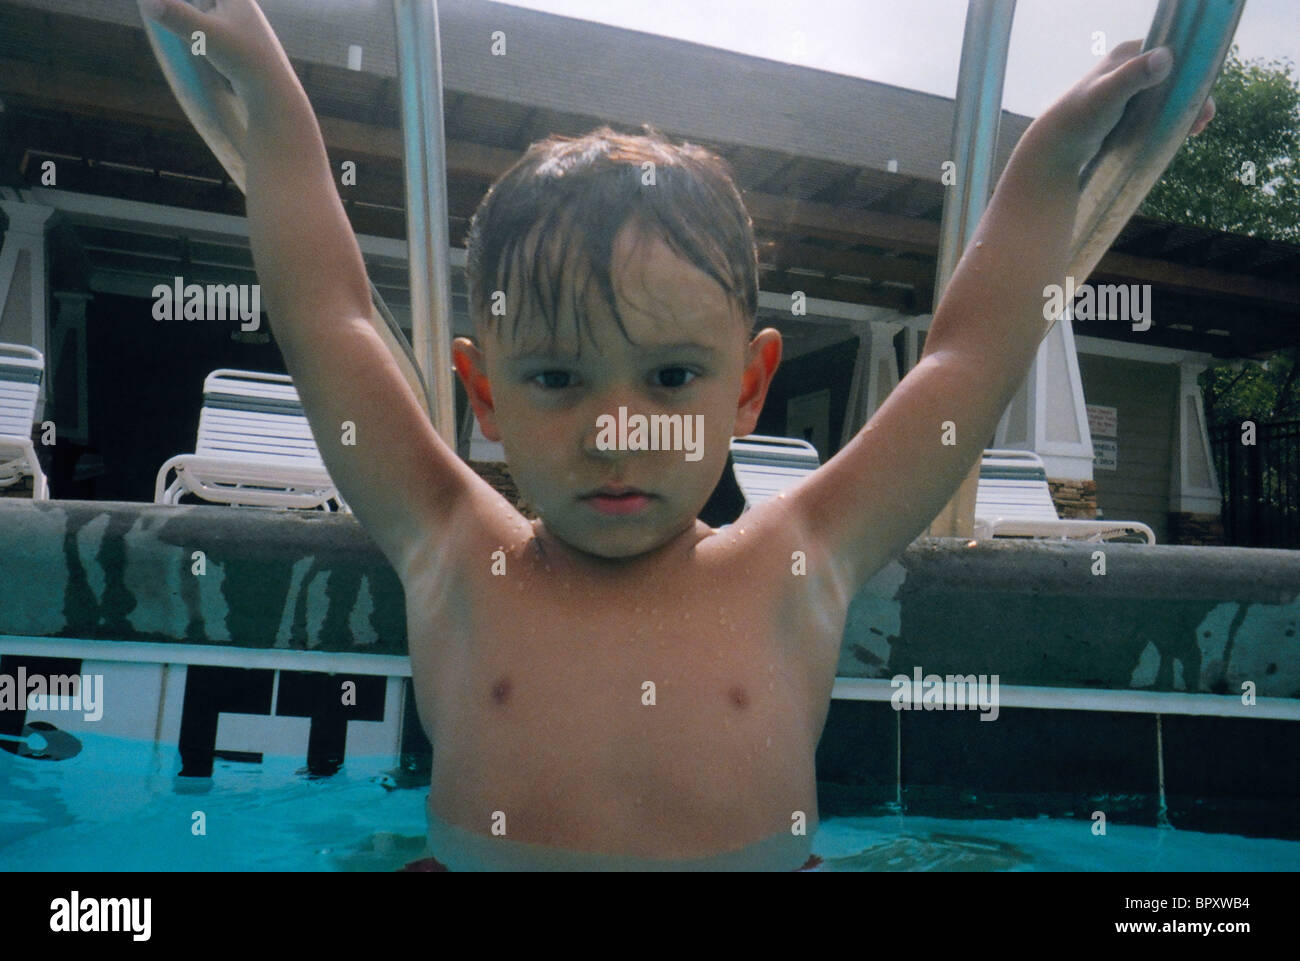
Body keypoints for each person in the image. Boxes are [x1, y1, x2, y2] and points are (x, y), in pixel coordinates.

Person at [139, 0, 1214, 870]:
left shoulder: (798, 560)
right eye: (558, 377)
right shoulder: (453, 552)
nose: (617, 432)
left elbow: (962, 361)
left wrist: (1048, 160)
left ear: (748, 390)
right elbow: (328, 320)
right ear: (483, 395)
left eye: (669, 377)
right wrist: (273, 99)